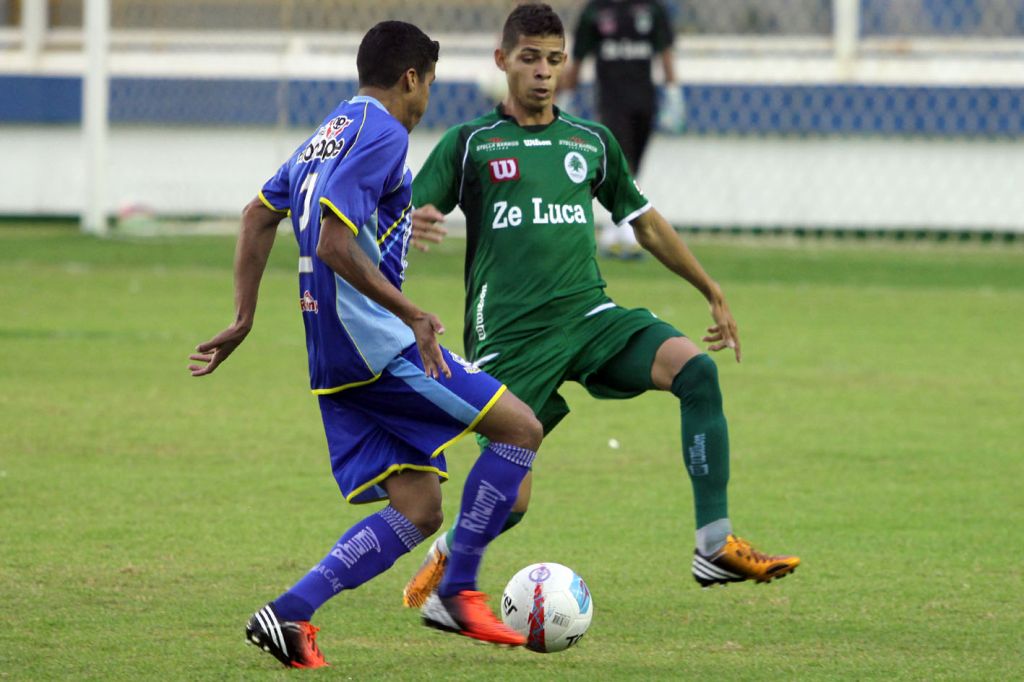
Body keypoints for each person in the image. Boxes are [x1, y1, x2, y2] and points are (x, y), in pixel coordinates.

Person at [403, 3, 799, 611]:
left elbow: (643, 221)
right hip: (509, 340)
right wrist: (413, 216)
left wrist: (709, 288)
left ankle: (714, 545)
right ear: (501, 60)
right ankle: (450, 557)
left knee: (696, 371)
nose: (543, 72)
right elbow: (402, 203)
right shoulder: (471, 145)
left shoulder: (590, 142)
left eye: (554, 60)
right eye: (530, 58)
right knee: (512, 503)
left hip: (590, 318)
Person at [188, 21, 543, 668]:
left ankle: (289, 613)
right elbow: (330, 240)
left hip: (330, 354)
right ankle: (458, 590)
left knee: (418, 505)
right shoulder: (384, 131)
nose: (425, 101)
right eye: (427, 86)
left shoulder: (330, 131)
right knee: (520, 429)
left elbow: (257, 215)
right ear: (410, 78)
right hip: (374, 346)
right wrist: (411, 313)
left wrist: (243, 318)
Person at [560, 0, 684, 259]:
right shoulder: (595, 10)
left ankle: (612, 230)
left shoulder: (652, 9)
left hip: (644, 99)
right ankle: (627, 233)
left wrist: (673, 92)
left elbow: (665, 52)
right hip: (610, 100)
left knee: (634, 166)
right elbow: (579, 57)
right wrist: (566, 96)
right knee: (621, 161)